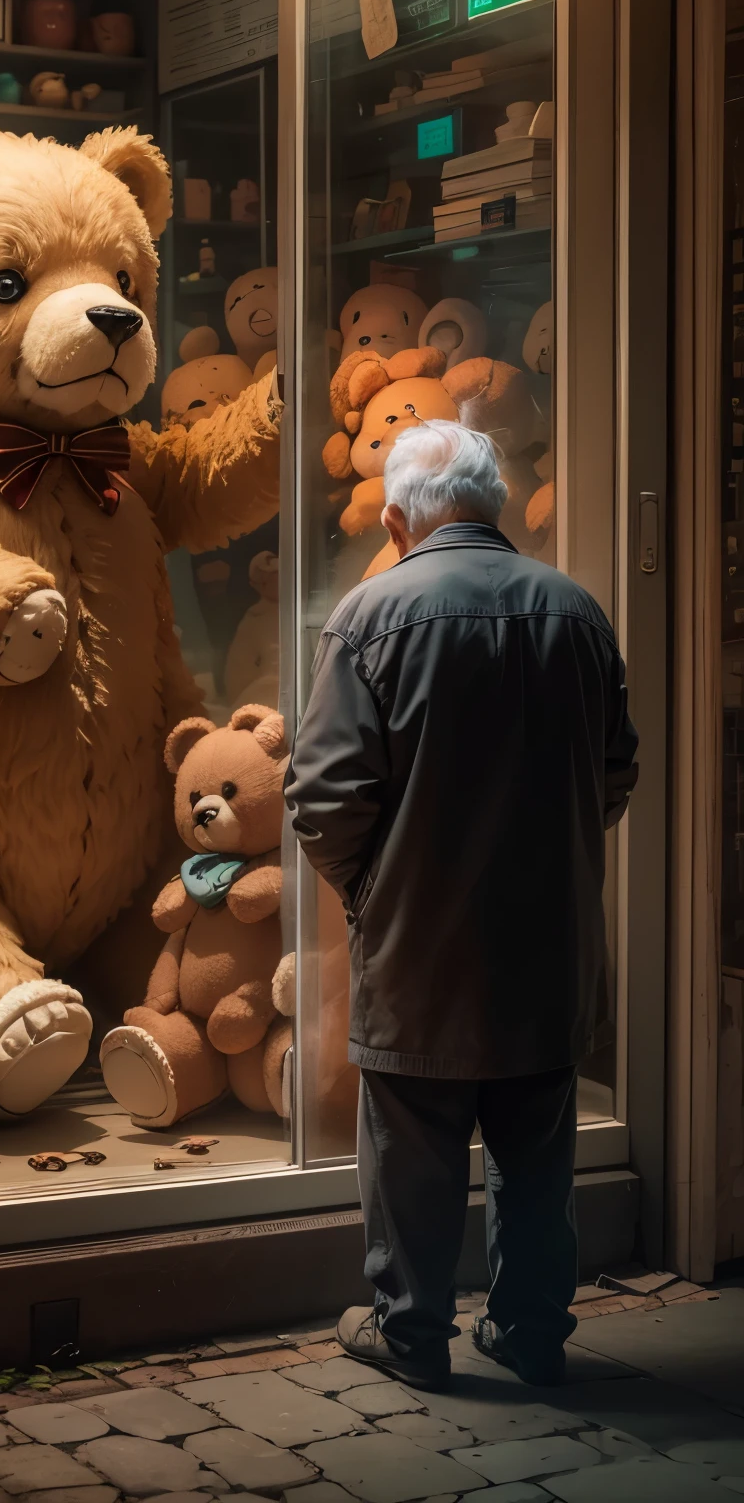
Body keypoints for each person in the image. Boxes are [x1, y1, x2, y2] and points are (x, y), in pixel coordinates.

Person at [285, 420, 638, 1391]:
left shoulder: (370, 613)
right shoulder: (579, 610)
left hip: (420, 948)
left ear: (396, 517)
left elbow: (322, 797)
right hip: (551, 943)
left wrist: (374, 888)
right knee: (537, 1152)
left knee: (413, 1149)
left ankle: (412, 1330)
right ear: (491, 502)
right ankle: (530, 1330)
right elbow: (616, 768)